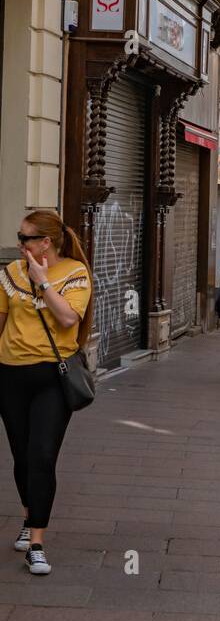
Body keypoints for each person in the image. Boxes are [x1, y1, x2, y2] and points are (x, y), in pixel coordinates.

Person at [0, 209, 93, 576]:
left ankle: (36, 543)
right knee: (21, 457)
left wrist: (42, 282)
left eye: (24, 239)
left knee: (41, 455)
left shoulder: (74, 273)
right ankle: (28, 516)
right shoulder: (9, 274)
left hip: (53, 379)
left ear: (44, 243)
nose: (18, 244)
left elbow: (69, 318)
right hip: (9, 375)